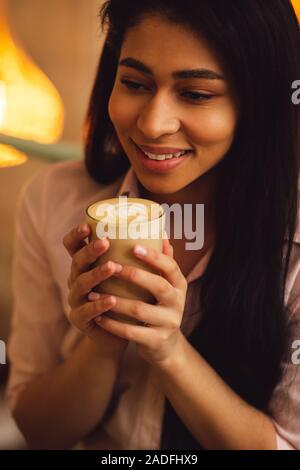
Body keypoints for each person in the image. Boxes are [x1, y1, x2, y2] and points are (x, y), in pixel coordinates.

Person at [5, 0, 300, 450]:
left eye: (196, 94)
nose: (152, 124)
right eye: (135, 83)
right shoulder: (53, 200)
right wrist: (102, 343)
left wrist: (169, 351)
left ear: (257, 102)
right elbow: (39, 430)